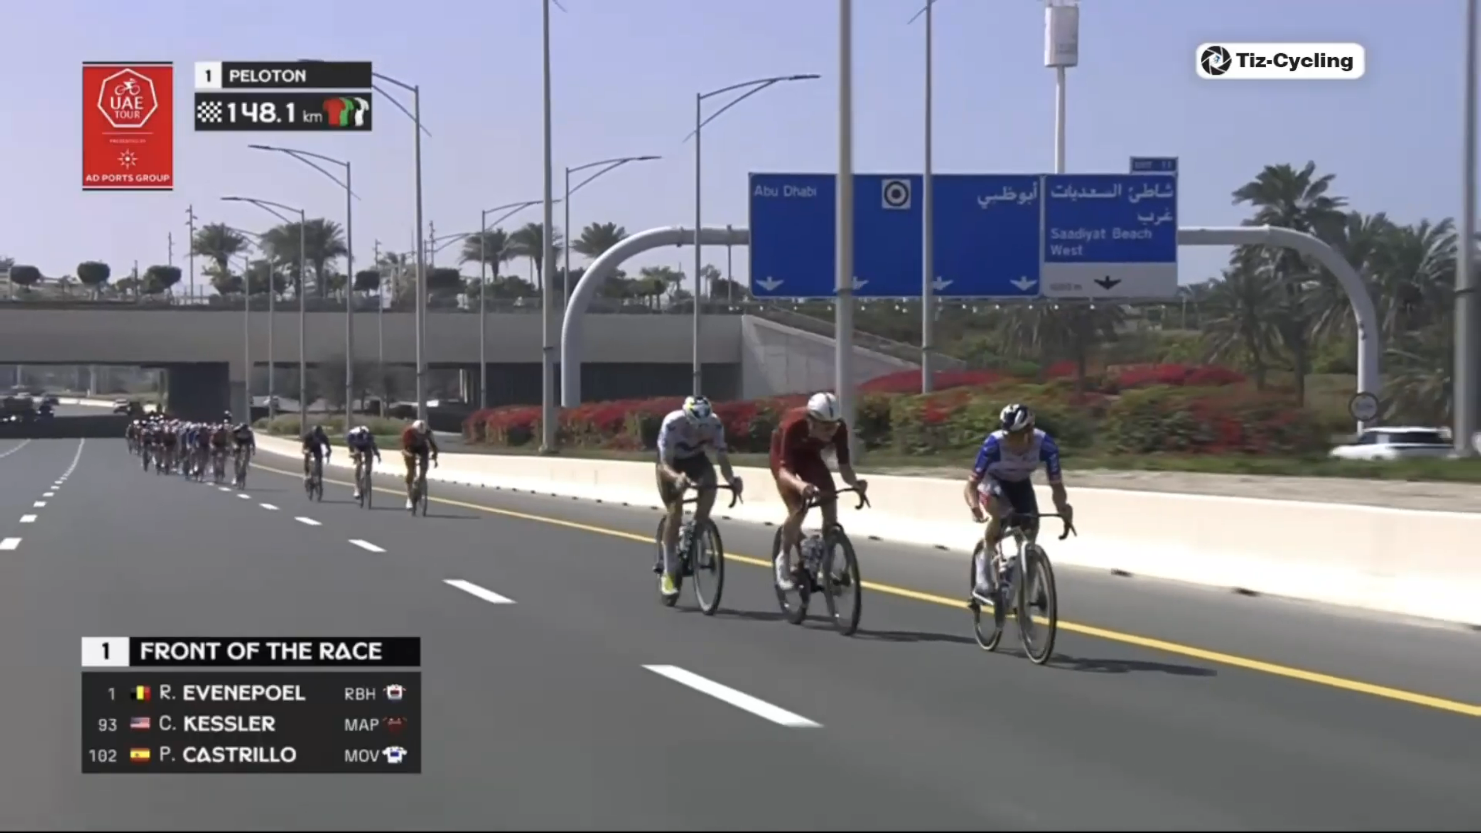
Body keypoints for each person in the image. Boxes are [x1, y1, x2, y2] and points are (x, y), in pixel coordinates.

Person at [963, 403, 1073, 601]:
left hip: (1020, 483)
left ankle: (1020, 569)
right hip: (993, 481)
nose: (1011, 441)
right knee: (999, 514)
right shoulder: (994, 444)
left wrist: (1063, 509)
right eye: (1008, 435)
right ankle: (984, 567)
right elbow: (971, 485)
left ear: (1029, 431)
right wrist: (974, 506)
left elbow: (1056, 486)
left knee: (1031, 529)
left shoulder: (1045, 445)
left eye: (1016, 436)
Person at [769, 391, 867, 591]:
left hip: (809, 457)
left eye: (834, 426)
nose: (831, 432)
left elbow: (845, 467)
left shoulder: (839, 429)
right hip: (783, 459)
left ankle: (825, 562)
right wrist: (801, 486)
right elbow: (784, 473)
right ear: (811, 422)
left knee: (830, 498)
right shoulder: (793, 426)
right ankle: (783, 558)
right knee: (798, 508)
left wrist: (856, 484)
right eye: (825, 427)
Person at [654, 395, 741, 598]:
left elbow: (721, 457)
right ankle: (669, 571)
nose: (700, 429)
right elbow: (664, 464)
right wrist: (676, 478)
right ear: (686, 417)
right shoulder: (672, 423)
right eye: (695, 425)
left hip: (696, 460)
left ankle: (695, 531)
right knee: (675, 511)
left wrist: (731, 479)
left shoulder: (715, 423)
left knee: (710, 487)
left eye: (704, 425)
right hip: (670, 464)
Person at [399, 420, 439, 509]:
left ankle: (420, 483)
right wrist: (410, 455)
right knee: (410, 472)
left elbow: (434, 445)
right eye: (418, 433)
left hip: (422, 449)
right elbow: (403, 449)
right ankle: (409, 498)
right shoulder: (408, 433)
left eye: (422, 434)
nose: (420, 435)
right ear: (414, 430)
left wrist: (435, 456)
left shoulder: (428, 433)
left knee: (424, 468)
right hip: (409, 449)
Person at [346, 425, 382, 500]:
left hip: (366, 447)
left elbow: (373, 445)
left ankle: (366, 475)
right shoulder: (353, 435)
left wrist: (377, 455)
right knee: (359, 463)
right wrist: (352, 453)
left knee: (368, 464)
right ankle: (357, 487)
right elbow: (350, 445)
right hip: (356, 446)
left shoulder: (369, 436)